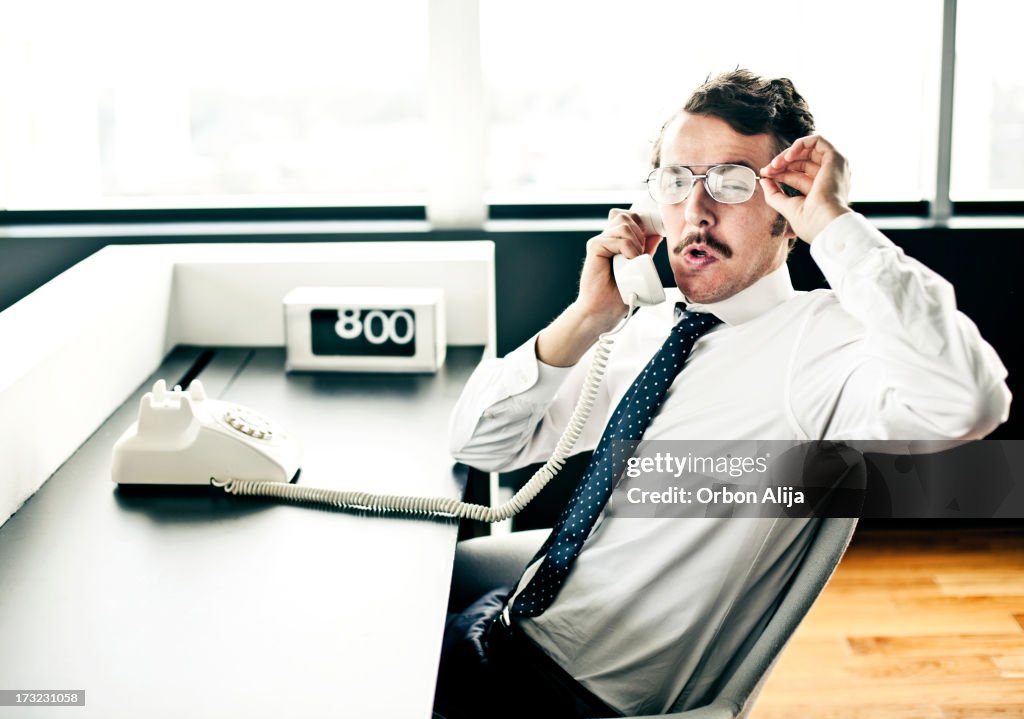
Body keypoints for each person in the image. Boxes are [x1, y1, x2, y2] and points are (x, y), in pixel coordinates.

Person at [435, 70, 1011, 718]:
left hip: (567, 696)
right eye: (678, 182)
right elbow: (479, 441)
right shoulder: (650, 325)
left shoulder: (822, 346)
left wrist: (834, 223)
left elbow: (970, 400)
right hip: (508, 627)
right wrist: (586, 316)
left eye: (733, 184)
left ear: (788, 211)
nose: (697, 212)